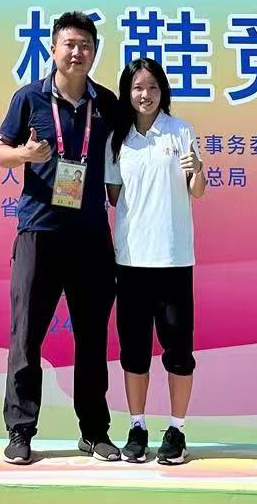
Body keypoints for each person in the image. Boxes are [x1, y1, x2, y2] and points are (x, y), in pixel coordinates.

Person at [0, 11, 122, 466]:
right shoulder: (28, 97)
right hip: (39, 233)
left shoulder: (106, 103)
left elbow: (129, 149)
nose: (77, 52)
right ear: (52, 49)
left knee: (92, 338)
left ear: (95, 52)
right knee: (26, 336)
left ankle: (95, 432)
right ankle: (20, 430)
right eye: (69, 44)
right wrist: (25, 153)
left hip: (91, 237)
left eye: (85, 45)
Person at [105, 57, 206, 466]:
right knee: (133, 350)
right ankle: (137, 426)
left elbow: (198, 189)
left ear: (162, 91)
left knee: (178, 350)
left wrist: (197, 171)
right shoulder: (118, 139)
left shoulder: (180, 131)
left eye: (151, 87)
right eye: (136, 88)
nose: (144, 94)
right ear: (126, 93)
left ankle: (177, 429)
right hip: (130, 259)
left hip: (173, 258)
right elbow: (114, 195)